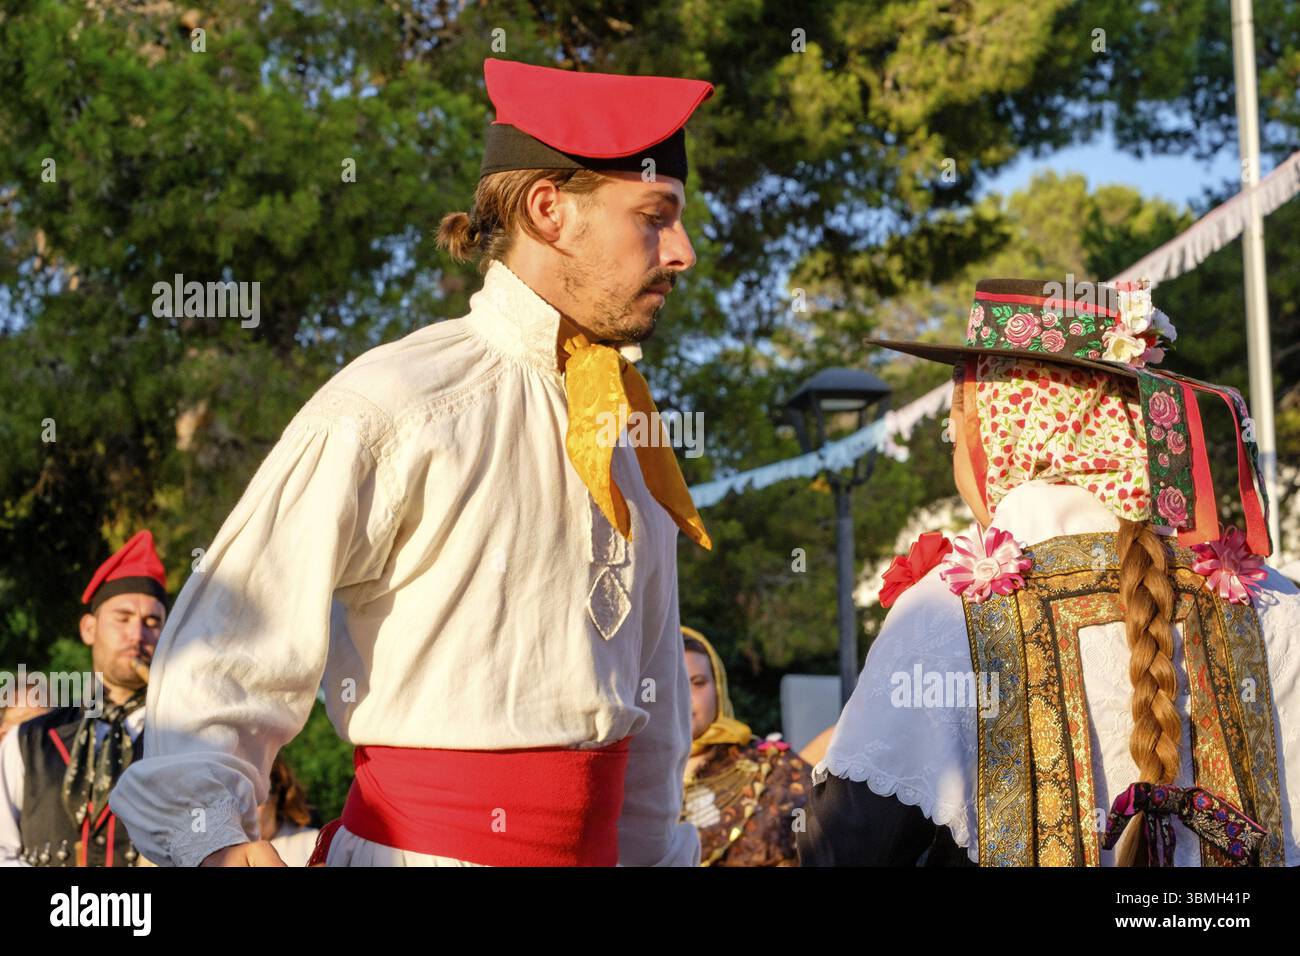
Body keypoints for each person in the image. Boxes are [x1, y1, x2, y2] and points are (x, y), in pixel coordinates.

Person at [110, 57, 715, 867]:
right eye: (654, 215)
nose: (681, 252)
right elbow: (224, 644)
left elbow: (651, 721)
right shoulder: (399, 403)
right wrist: (211, 843)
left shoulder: (628, 429)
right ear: (550, 210)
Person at [800, 277, 1300, 866]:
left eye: (954, 429)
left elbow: (848, 851)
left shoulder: (950, 609)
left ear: (997, 429)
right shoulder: (1270, 597)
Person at [0, 530, 167, 867]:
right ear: (89, 629)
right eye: (122, 618)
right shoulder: (28, 740)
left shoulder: (185, 743)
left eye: (152, 622)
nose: (137, 635)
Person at [680, 627, 809, 866]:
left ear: (718, 687)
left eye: (697, 683)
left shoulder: (773, 767)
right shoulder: (623, 775)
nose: (684, 697)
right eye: (669, 684)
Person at [258, 753, 319, 867]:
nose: (243, 809)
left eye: (254, 798)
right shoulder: (219, 852)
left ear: (276, 794)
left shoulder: (313, 844)